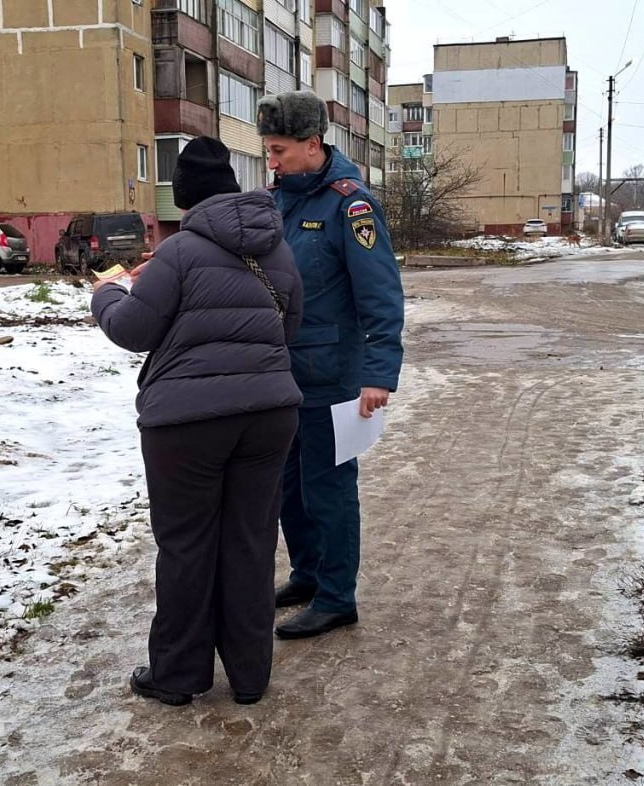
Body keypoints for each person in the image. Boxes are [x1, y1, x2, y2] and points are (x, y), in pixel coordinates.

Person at [91, 137, 304, 706]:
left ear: (184, 200)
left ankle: (179, 675)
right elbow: (285, 333)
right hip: (269, 416)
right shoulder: (277, 253)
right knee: (251, 542)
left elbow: (134, 331)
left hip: (186, 424)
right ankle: (251, 676)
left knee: (187, 546)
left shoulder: (178, 253)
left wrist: (106, 294)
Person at [256, 90, 405, 639]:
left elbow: (381, 295)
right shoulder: (278, 200)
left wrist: (378, 374)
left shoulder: (351, 205)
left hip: (334, 378)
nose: (271, 161)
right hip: (282, 374)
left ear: (312, 145)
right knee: (289, 488)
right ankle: (309, 575)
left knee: (329, 488)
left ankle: (338, 596)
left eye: (279, 150)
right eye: (268, 151)